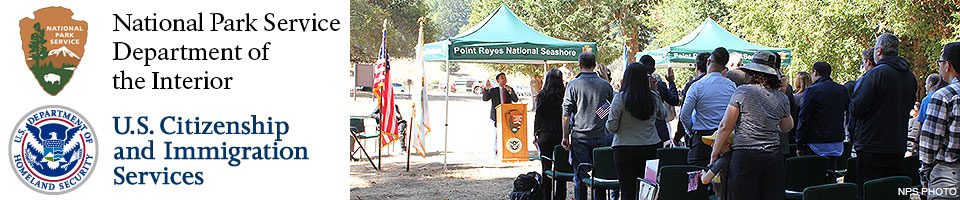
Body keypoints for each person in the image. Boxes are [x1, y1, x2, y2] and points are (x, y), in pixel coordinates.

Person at [711, 61, 794, 200]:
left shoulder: (742, 91)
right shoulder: (781, 97)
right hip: (772, 156)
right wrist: (783, 95)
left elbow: (725, 126)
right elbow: (786, 127)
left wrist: (714, 155)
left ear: (752, 73)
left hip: (745, 156)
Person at [849, 33, 917, 200]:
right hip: (897, 145)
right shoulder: (910, 77)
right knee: (893, 193)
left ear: (878, 50)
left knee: (870, 192)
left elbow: (857, 107)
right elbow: (909, 105)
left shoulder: (875, 75)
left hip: (872, 146)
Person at [606, 62, 665, 200]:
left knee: (627, 190)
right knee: (648, 189)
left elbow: (611, 127)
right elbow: (663, 115)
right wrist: (655, 91)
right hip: (650, 147)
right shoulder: (653, 97)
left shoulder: (620, 98)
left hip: (624, 149)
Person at [562, 51, 615, 200]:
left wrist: (565, 136)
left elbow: (566, 113)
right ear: (594, 65)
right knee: (599, 177)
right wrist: (598, 116)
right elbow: (612, 106)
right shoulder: (605, 85)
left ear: (579, 66)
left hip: (579, 136)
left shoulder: (572, 85)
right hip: (600, 136)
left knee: (580, 177)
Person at [680, 47, 736, 167]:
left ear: (709, 62)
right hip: (726, 139)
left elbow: (684, 115)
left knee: (697, 178)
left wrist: (690, 131)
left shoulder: (697, 86)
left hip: (701, 138)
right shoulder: (732, 87)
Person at [919, 42, 960, 200]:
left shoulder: (943, 96)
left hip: (947, 176)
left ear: (947, 65)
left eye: (940, 63)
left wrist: (924, 176)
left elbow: (930, 143)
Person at [796, 61, 849, 174]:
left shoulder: (811, 91)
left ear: (815, 72)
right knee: (831, 174)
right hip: (836, 143)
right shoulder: (842, 90)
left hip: (816, 143)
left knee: (815, 177)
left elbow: (804, 118)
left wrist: (799, 144)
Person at [534, 69, 566, 200]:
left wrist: (535, 133)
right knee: (561, 168)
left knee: (546, 168)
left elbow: (538, 115)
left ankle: (546, 196)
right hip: (560, 133)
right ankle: (560, 196)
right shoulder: (564, 95)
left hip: (545, 134)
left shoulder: (542, 95)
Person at [639, 55, 680, 147]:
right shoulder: (660, 85)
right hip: (657, 130)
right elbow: (674, 100)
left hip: (637, 132)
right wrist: (671, 82)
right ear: (654, 70)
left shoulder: (632, 86)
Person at [675, 52, 713, 146]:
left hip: (697, 133)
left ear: (697, 67)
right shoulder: (723, 84)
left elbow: (684, 114)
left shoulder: (693, 85)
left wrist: (680, 135)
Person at [482, 72, 519, 156]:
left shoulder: (508, 89)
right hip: (496, 116)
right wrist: (487, 89)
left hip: (508, 116)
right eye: (502, 78)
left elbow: (515, 99)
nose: (504, 80)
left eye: (505, 78)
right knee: (496, 136)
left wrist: (511, 91)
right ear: (498, 80)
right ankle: (495, 153)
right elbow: (485, 98)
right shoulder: (494, 90)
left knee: (507, 135)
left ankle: (507, 152)